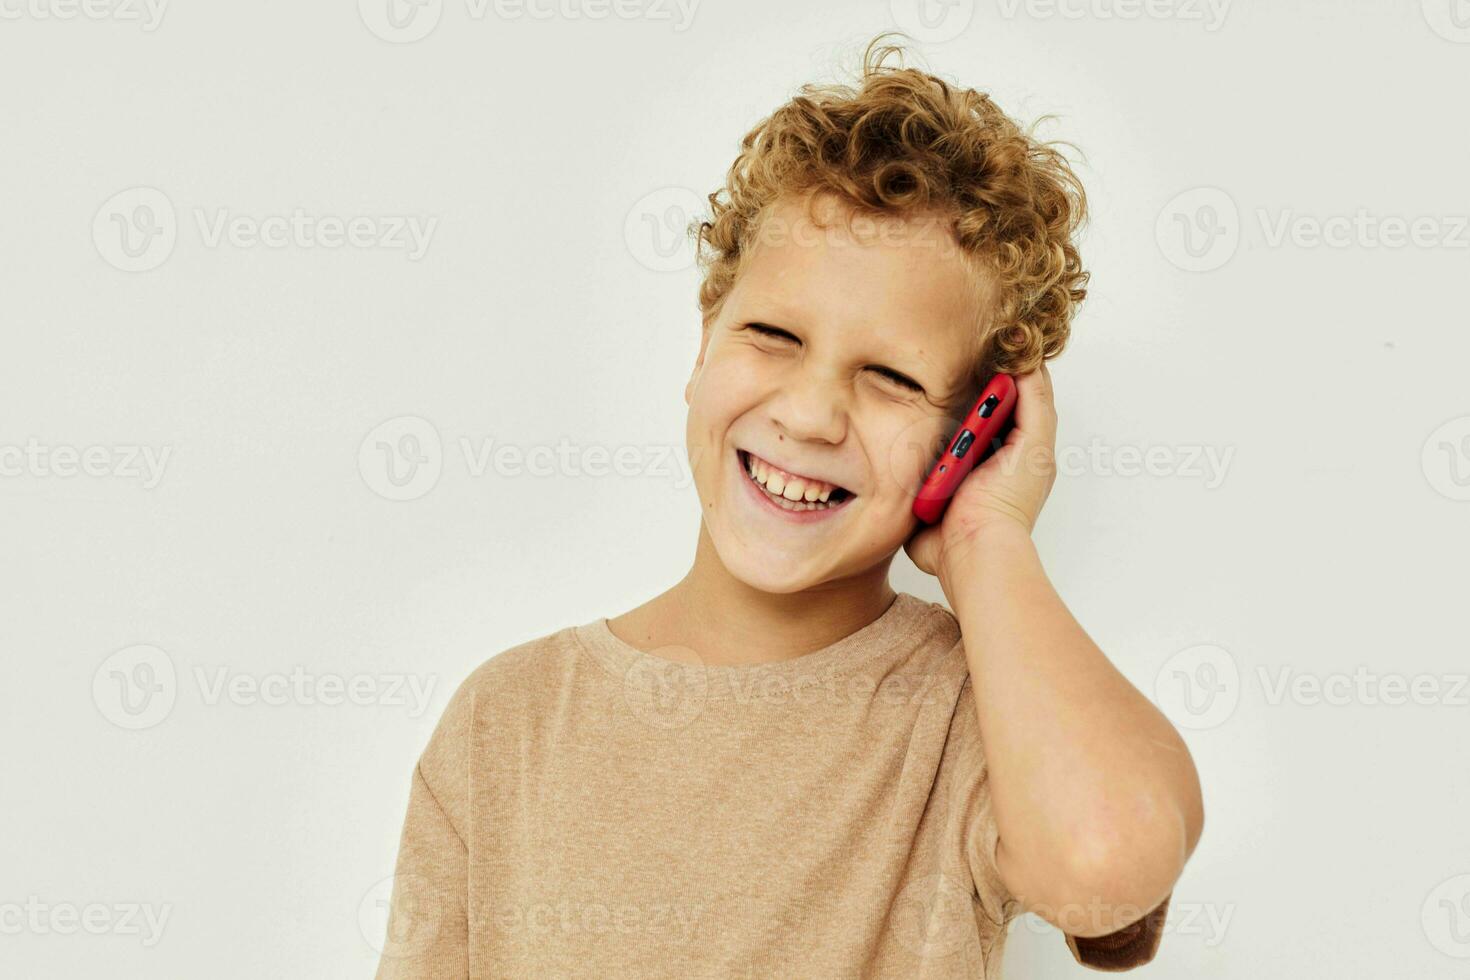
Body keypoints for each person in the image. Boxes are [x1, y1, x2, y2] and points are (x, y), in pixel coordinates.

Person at [374, 31, 1204, 978]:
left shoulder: (977, 714)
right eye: (772, 334)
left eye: (891, 378)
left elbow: (1108, 868)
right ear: (704, 340)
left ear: (971, 431)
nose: (809, 414)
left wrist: (987, 537)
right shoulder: (508, 718)